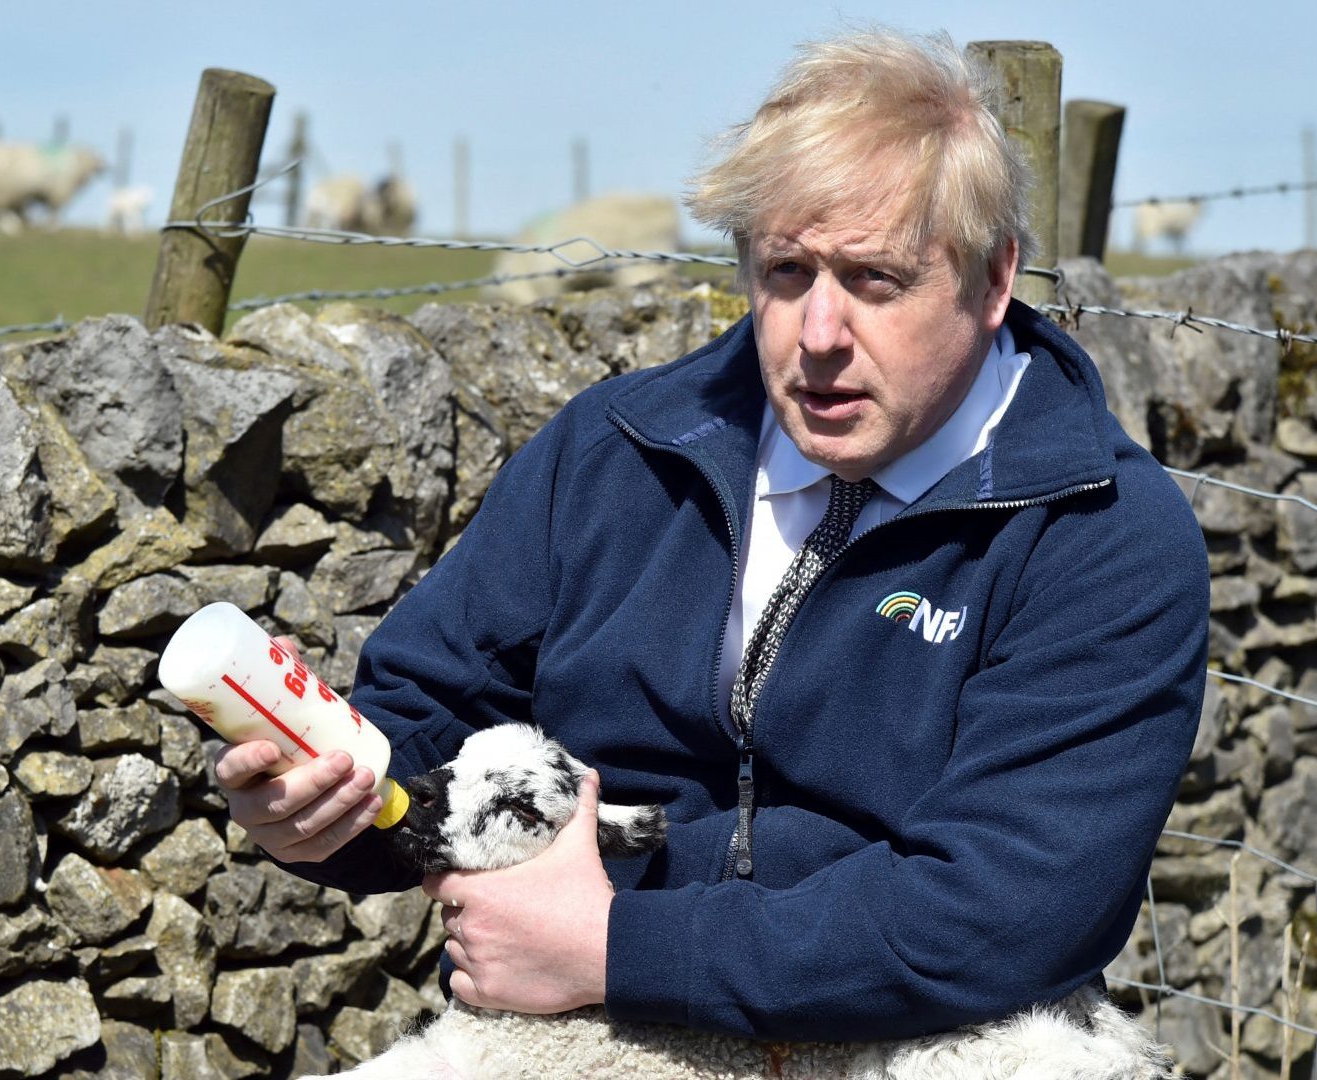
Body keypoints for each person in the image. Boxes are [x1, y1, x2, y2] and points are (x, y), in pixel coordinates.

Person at [216, 28, 1209, 1043]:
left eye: (875, 280)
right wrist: (336, 800)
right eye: (787, 271)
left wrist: (613, 949)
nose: (819, 335)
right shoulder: (620, 453)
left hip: (924, 1038)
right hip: (577, 1019)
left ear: (993, 282)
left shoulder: (1101, 536)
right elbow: (430, 712)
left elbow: (1002, 912)